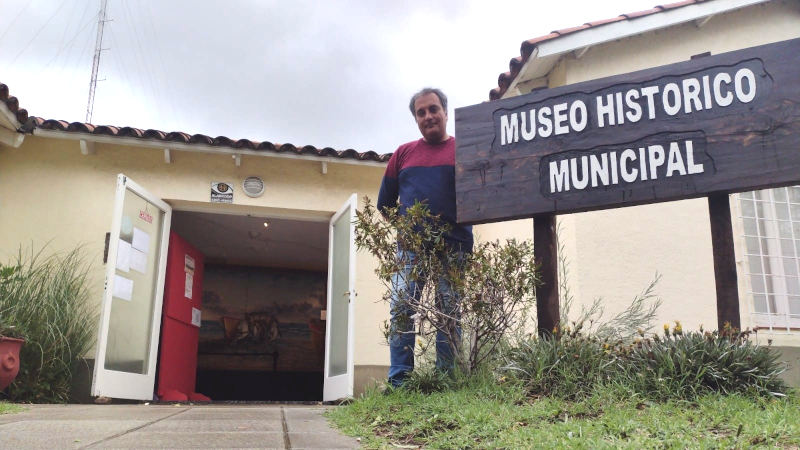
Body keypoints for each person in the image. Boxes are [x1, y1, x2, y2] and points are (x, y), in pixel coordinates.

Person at [376, 87, 474, 388]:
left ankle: (446, 380)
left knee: (448, 311)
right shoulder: (403, 154)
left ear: (445, 112)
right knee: (402, 307)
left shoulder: (464, 150)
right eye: (422, 112)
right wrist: (409, 231)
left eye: (433, 109)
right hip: (411, 250)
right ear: (416, 119)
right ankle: (399, 382)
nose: (429, 116)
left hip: (454, 246)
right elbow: (384, 204)